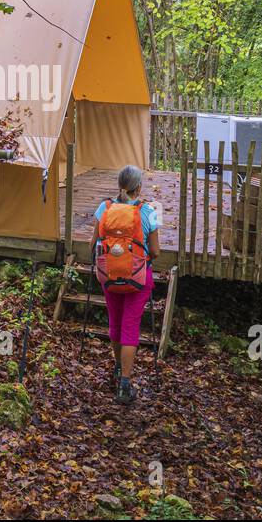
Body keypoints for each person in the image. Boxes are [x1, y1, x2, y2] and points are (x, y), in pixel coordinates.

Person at [91, 164, 160, 405]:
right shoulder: (148, 211)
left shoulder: (104, 208)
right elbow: (156, 251)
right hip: (138, 278)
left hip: (110, 275)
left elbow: (95, 243)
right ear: (138, 187)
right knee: (130, 325)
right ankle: (125, 384)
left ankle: (118, 368)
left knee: (115, 323)